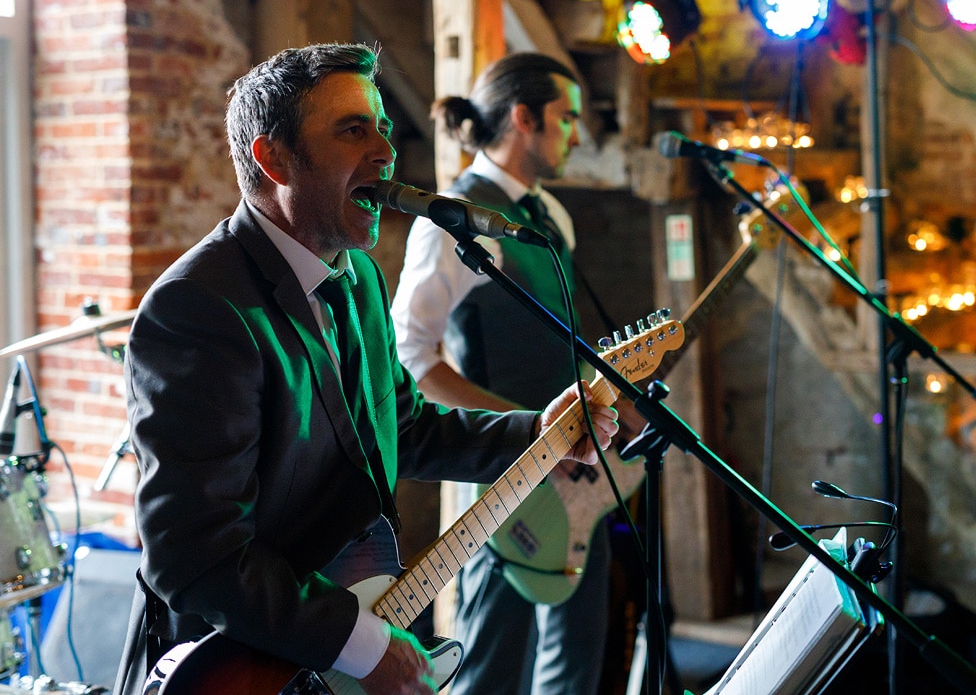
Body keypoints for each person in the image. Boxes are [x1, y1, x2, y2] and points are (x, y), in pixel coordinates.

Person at [111, 43, 618, 695]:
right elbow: (194, 555)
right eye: (354, 130)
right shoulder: (198, 307)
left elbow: (405, 428)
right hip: (244, 668)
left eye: (383, 128)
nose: (385, 151)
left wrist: (536, 434)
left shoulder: (361, 282)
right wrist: (358, 642)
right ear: (274, 159)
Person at [391, 52, 613, 694]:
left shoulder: (551, 217)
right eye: (565, 118)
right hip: (499, 478)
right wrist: (522, 433)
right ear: (524, 117)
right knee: (492, 666)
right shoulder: (454, 220)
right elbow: (413, 356)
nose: (576, 132)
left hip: (578, 463)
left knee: (577, 664)